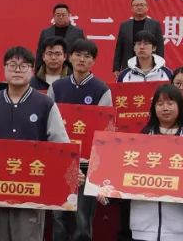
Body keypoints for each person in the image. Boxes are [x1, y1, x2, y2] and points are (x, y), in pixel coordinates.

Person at [0, 46, 70, 241]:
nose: (17, 70)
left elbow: (61, 145)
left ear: (32, 70)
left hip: (32, 191)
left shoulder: (45, 104)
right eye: (12, 65)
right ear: (4, 69)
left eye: (23, 66)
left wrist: (71, 170)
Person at [116, 85, 183, 241]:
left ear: (180, 106)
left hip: (182, 229)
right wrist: (107, 191)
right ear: (154, 108)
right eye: (159, 104)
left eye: (170, 103)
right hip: (144, 228)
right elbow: (125, 177)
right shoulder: (141, 139)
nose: (165, 108)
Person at [49, 39, 112, 241]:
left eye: (87, 56)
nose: (82, 59)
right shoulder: (57, 87)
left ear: (94, 61)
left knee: (82, 220)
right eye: (77, 54)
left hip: (87, 165)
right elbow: (48, 124)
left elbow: (105, 132)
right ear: (69, 57)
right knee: (59, 218)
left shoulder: (101, 89)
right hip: (61, 161)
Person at [112, 0, 165, 74]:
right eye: (136, 5)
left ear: (147, 8)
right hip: (128, 66)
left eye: (142, 5)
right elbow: (119, 48)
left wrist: (160, 66)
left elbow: (160, 47)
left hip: (149, 67)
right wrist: (116, 68)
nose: (139, 7)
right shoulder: (125, 26)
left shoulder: (155, 24)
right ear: (132, 8)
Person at [35, 3, 85, 67]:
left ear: (69, 16)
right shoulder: (46, 33)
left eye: (63, 15)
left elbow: (82, 52)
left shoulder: (78, 32)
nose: (61, 17)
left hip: (70, 68)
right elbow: (40, 53)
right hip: (50, 67)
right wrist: (38, 69)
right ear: (54, 16)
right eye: (58, 15)